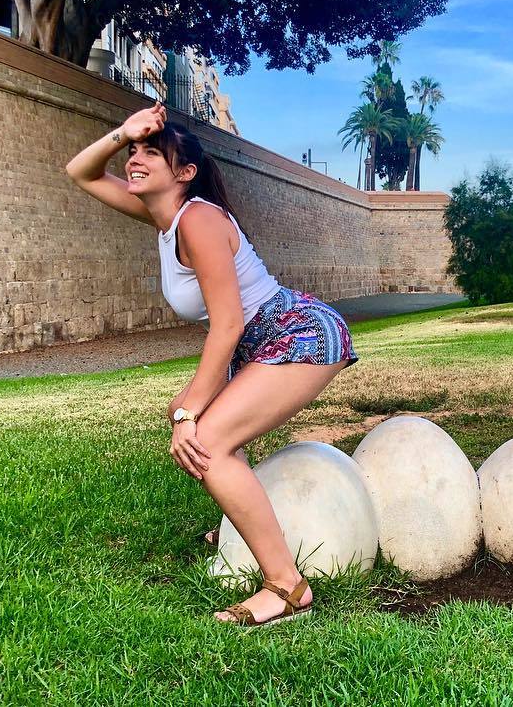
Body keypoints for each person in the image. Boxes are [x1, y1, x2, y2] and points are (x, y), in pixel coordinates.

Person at [65, 102, 357, 626]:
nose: (134, 159)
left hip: (297, 333)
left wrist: (190, 412)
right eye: (134, 151)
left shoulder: (198, 219)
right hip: (257, 340)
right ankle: (244, 523)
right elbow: (81, 172)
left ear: (184, 173)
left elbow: (228, 324)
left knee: (205, 441)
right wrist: (125, 131)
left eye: (151, 153)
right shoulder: (164, 218)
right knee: (200, 430)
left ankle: (287, 588)